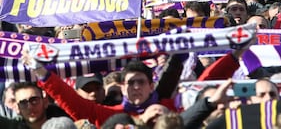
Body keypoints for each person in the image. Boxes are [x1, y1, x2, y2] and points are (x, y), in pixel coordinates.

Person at [22, 56, 183, 128]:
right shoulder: (110, 115)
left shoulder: (170, 108)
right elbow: (73, 102)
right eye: (130, 82)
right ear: (122, 87)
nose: (135, 87)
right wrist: (42, 73)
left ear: (151, 86)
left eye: (140, 82)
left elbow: (206, 97)